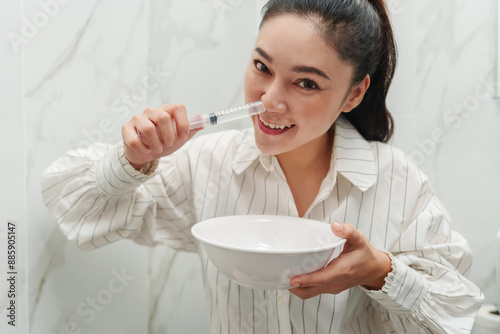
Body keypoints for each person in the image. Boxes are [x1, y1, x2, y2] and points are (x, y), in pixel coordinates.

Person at [42, 0, 484, 332]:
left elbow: (460, 311)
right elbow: (76, 210)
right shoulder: (208, 164)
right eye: (261, 66)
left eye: (306, 82)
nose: (269, 99)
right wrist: (132, 160)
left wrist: (380, 273)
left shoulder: (397, 182)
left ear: (353, 93)